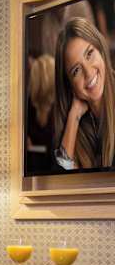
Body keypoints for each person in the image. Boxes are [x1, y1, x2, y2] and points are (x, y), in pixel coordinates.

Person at [54, 17, 115, 169]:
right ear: (69, 85)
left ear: (101, 50)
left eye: (89, 54)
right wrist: (74, 116)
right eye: (76, 70)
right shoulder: (75, 122)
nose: (88, 73)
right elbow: (61, 178)